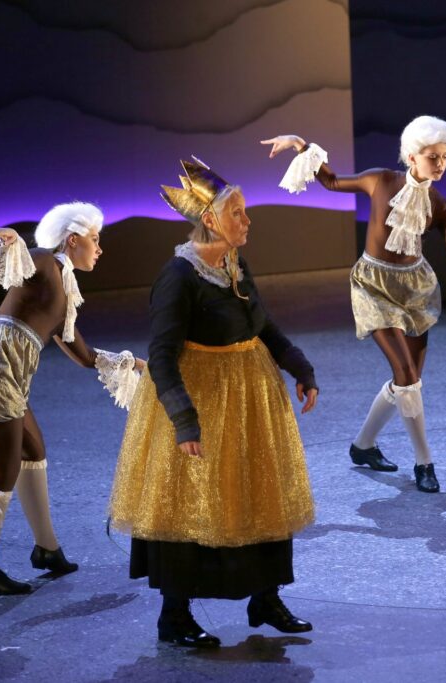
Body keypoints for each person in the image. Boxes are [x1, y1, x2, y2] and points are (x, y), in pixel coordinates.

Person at [108, 157, 319, 649]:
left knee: (259, 493)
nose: (247, 220)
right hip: (201, 401)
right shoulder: (179, 277)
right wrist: (184, 421)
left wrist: (300, 367)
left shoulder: (234, 263)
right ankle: (174, 616)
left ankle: (265, 598)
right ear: (210, 219)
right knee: (189, 504)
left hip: (249, 399)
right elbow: (161, 357)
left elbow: (262, 325)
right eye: (237, 212)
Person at [262, 116, 446, 493]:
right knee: (407, 376)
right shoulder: (380, 180)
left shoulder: (438, 204)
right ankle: (424, 462)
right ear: (412, 156)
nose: (440, 163)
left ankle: (363, 446)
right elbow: (332, 181)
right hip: (373, 287)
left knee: (408, 381)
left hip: (416, 290)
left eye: (445, 157)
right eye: (433, 156)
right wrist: (300, 144)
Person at [0, 203, 142, 596]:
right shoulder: (45, 262)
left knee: (33, 450)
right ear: (72, 240)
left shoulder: (63, 291)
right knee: (1, 473)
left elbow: (84, 356)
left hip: (3, 376)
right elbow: (25, 261)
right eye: (94, 239)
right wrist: (11, 241)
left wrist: (133, 363)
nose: (99, 248)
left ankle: (47, 549)